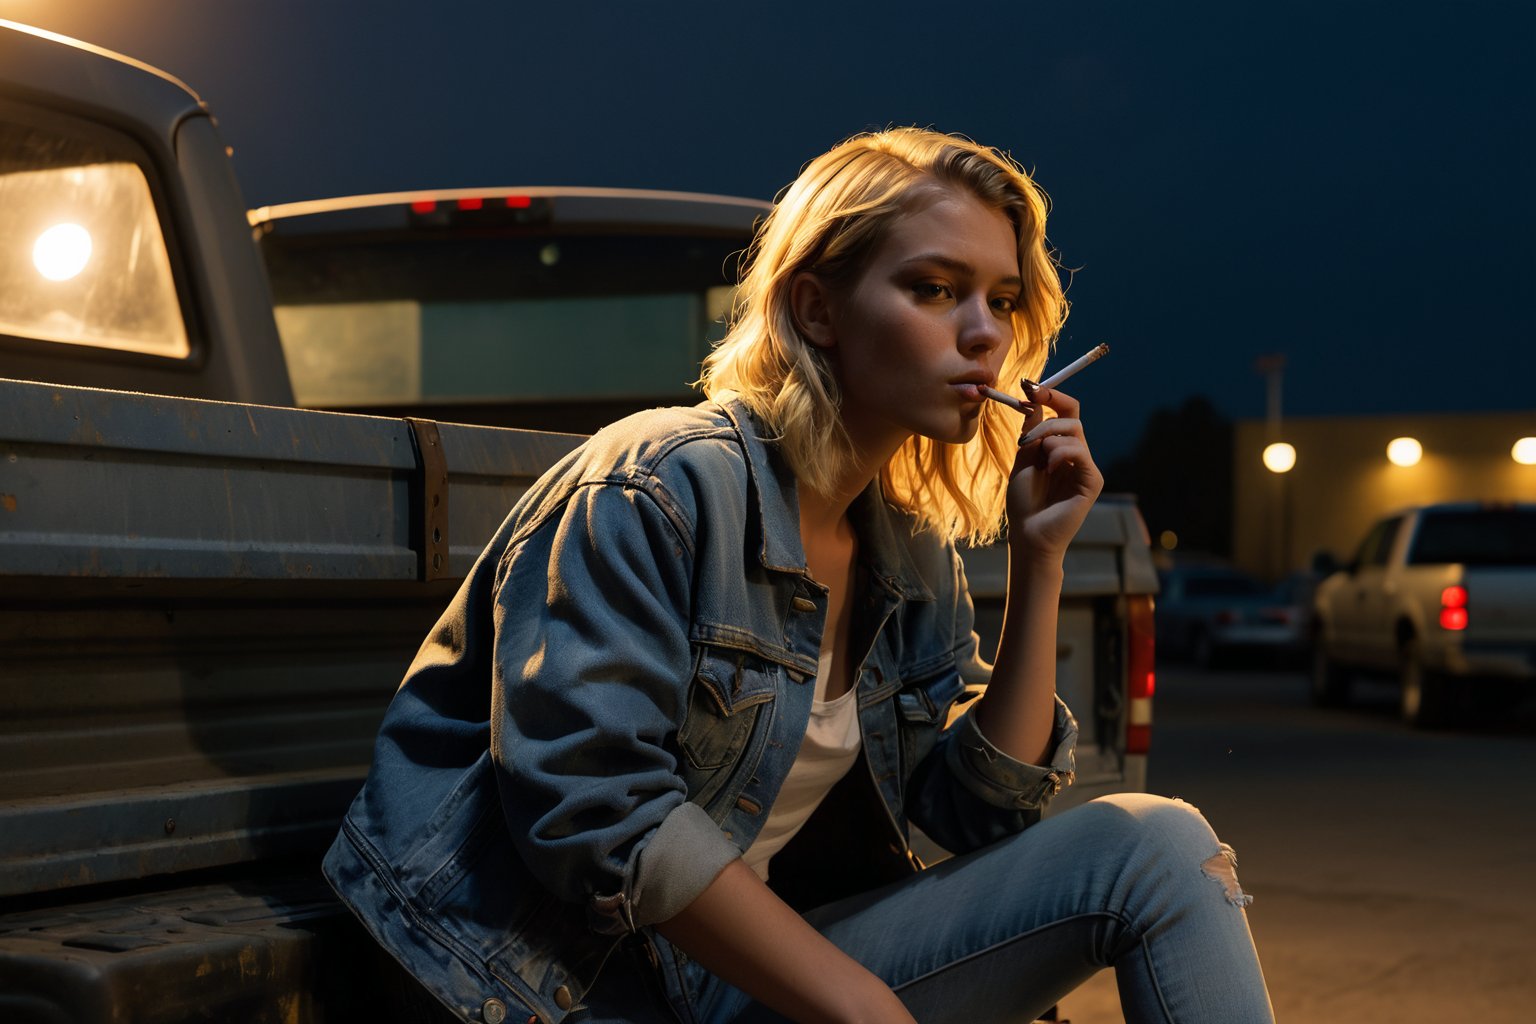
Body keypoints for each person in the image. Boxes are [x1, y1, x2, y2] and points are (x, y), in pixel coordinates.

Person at [324, 127, 1274, 1024]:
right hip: (548, 986)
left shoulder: (905, 544)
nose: (984, 334)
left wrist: (1039, 559)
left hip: (729, 980)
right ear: (818, 308)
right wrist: (861, 1006)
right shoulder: (659, 484)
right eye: (937, 289)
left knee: (1158, 848)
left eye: (1003, 299)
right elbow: (597, 811)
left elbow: (976, 809)